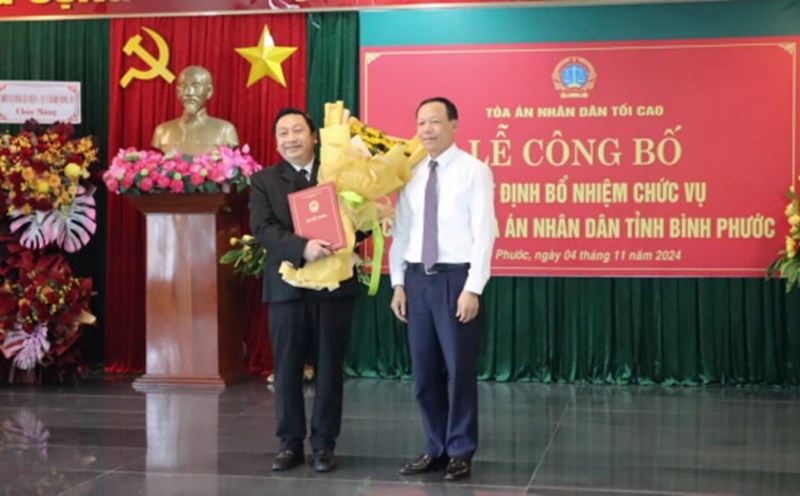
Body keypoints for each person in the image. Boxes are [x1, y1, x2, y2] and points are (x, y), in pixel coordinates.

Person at [389, 97, 496, 482]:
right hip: (417, 281)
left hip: (456, 280)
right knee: (424, 374)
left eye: (435, 121)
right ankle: (434, 447)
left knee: (459, 371)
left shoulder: (474, 171)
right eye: (421, 122)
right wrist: (398, 282)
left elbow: (485, 233)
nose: (427, 129)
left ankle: (461, 450)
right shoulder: (410, 172)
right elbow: (400, 232)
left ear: (454, 124)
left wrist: (473, 288)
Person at [249, 108, 360, 473]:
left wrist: (357, 228)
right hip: (288, 286)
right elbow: (264, 230)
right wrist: (303, 248)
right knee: (287, 368)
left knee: (329, 367)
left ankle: (325, 445)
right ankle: (289, 443)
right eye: (283, 133)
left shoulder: (339, 172)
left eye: (298, 130)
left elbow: (360, 221)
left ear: (315, 136)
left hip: (334, 286)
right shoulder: (265, 181)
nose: (290, 138)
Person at [151, 66, 239, 156]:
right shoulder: (162, 131)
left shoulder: (225, 131)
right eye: (184, 86)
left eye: (196, 86)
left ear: (209, 91)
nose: (189, 92)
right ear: (178, 92)